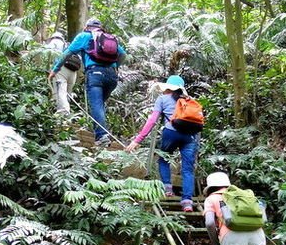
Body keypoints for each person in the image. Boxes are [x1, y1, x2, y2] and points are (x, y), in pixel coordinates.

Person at [125, 75, 198, 211]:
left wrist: (137, 140)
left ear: (167, 88)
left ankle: (167, 188)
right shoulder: (189, 100)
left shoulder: (163, 99)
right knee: (188, 169)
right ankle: (187, 201)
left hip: (171, 133)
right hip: (190, 137)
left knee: (163, 160)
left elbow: (152, 121)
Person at [48, 18, 126, 146]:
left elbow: (67, 53)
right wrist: (116, 66)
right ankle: (101, 132)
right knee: (100, 105)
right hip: (112, 76)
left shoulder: (84, 36)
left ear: (86, 27)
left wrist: (55, 69)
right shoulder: (110, 38)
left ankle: (102, 136)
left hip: (95, 74)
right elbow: (123, 55)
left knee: (96, 105)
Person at [46, 31, 78, 114]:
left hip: (61, 69)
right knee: (68, 93)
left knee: (60, 91)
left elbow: (46, 51)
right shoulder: (68, 44)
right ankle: (70, 113)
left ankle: (63, 115)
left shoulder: (54, 42)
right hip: (73, 70)